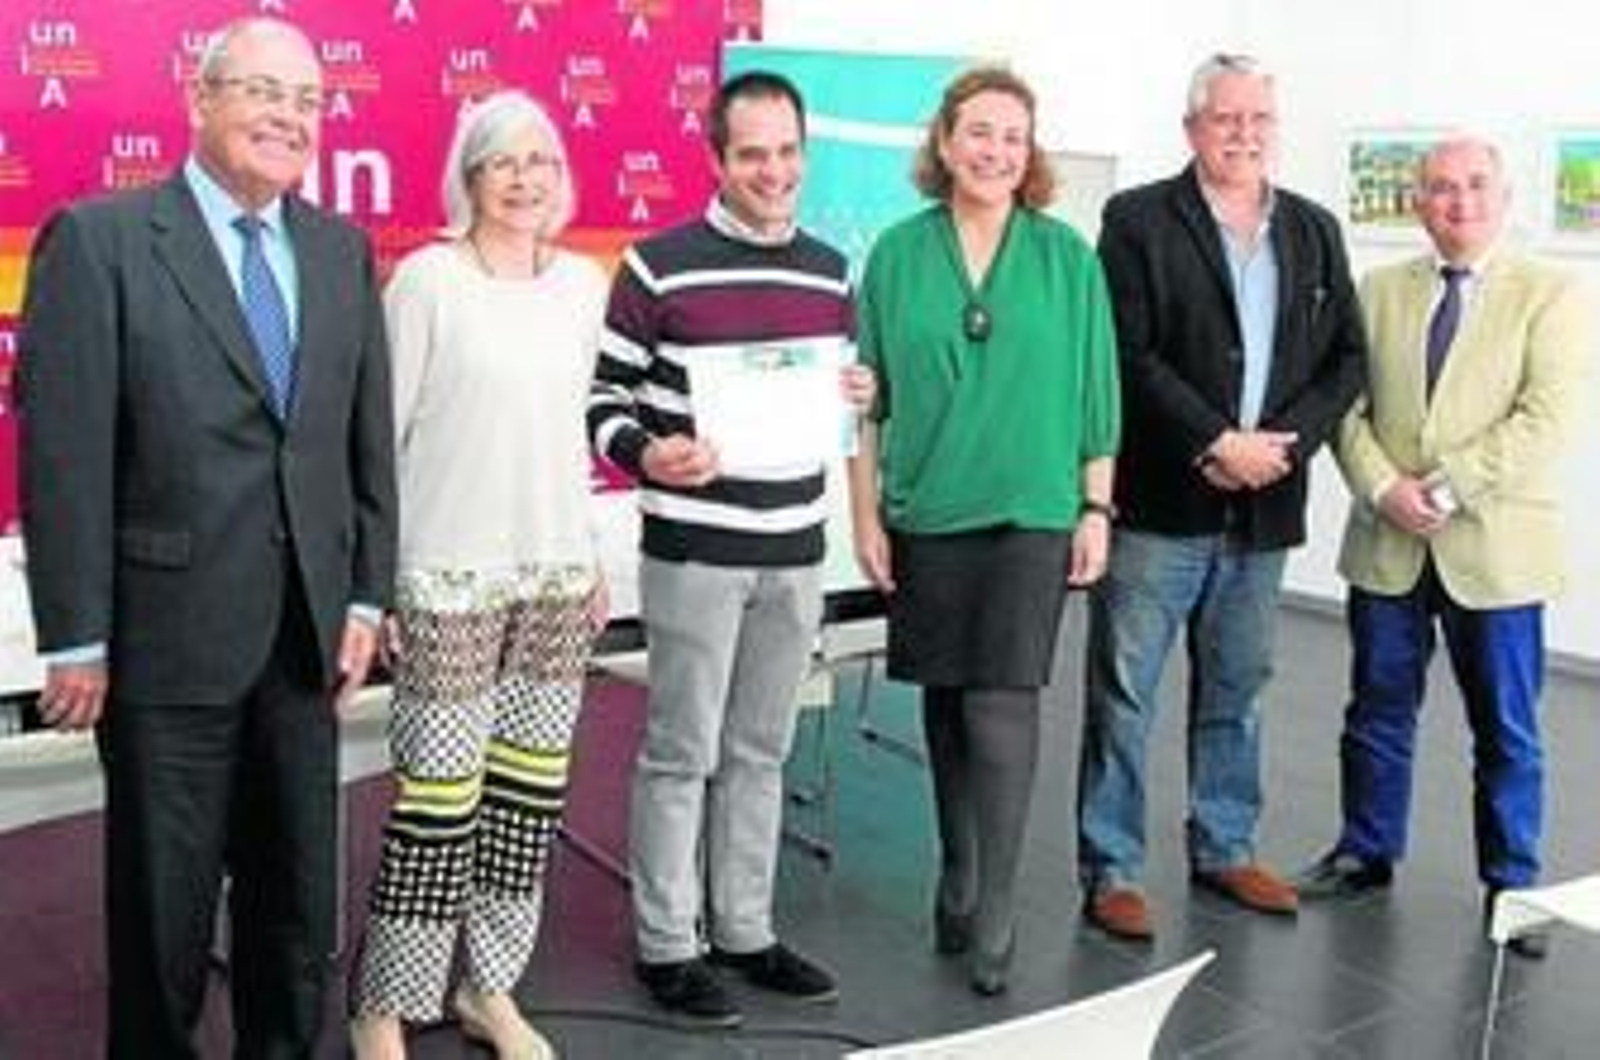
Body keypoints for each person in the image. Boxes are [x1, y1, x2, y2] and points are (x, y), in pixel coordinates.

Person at [17, 17, 396, 1058]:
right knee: (163, 917)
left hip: (305, 644)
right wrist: (78, 636)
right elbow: (65, 454)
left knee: (295, 909)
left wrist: (365, 598)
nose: (289, 117)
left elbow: (364, 449)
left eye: (310, 101)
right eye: (264, 92)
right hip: (165, 644)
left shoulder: (339, 251)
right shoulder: (98, 241)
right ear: (200, 98)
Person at [587, 70, 872, 1028]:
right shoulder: (657, 267)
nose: (774, 170)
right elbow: (600, 403)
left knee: (761, 748)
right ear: (715, 158)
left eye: (788, 151)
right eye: (752, 153)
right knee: (680, 751)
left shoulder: (833, 270)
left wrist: (858, 395)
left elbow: (843, 401)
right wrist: (648, 452)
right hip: (697, 552)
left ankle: (745, 929)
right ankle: (669, 945)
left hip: (795, 548)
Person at [1076, 52, 1367, 942]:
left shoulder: (1313, 229)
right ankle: (1112, 864)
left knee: (1238, 687)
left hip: (1264, 509)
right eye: (1226, 119)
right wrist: (1215, 440)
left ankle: (1226, 844)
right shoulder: (1135, 220)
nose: (1244, 134)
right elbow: (1124, 354)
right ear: (1193, 127)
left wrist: (1276, 451)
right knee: (1125, 693)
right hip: (1164, 502)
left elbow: (1345, 360)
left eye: (1258, 120)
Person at [846, 66, 1120, 996]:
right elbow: (865, 402)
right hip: (927, 509)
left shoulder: (1066, 258)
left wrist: (1097, 505)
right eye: (979, 132)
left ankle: (996, 903)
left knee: (1003, 701)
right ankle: (956, 868)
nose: (996, 150)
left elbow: (1097, 394)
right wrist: (866, 517)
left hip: (1031, 511)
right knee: (947, 700)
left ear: (1029, 151)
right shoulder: (894, 255)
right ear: (945, 141)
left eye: (1013, 135)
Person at [347, 91, 607, 1059]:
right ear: (470, 177)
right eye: (504, 161)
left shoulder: (583, 285)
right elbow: (378, 443)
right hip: (446, 578)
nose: (525, 177)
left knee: (525, 803)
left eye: (540, 159)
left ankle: (488, 988)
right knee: (436, 807)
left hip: (553, 578)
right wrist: (387, 581)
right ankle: (384, 1004)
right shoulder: (427, 282)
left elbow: (571, 436)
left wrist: (585, 558)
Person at [1296, 137, 1589, 961]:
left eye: (1473, 186)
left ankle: (1512, 883)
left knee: (1506, 727)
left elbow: (1546, 418)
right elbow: (1343, 407)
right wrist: (1384, 487)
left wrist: (1448, 486)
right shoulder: (1380, 290)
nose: (1457, 202)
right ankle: (1365, 849)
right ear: (1416, 202)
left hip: (1494, 549)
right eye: (1439, 188)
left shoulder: (1552, 293)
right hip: (1387, 539)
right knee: (1377, 709)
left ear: (1503, 195)